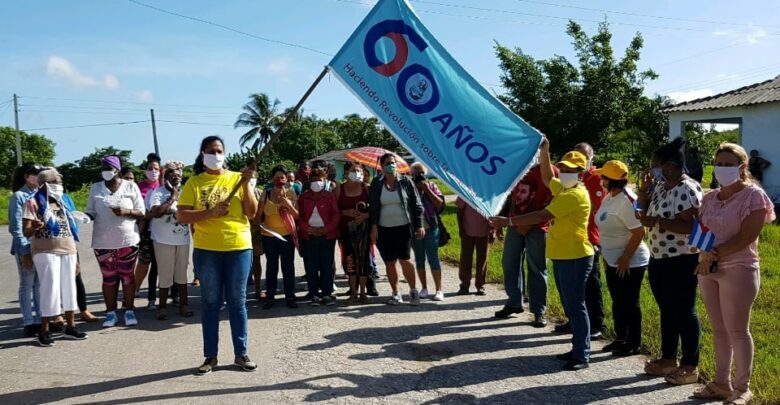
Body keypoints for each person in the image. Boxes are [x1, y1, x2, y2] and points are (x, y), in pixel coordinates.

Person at [491, 139, 595, 371]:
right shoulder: (565, 188)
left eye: (571, 170)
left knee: (576, 306)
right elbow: (548, 178)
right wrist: (545, 151)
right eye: (564, 169)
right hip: (563, 255)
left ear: (581, 172)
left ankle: (582, 354)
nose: (565, 172)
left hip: (576, 256)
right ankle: (577, 348)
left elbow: (541, 216)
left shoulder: (574, 195)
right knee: (571, 304)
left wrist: (507, 221)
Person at [693, 143, 775, 404]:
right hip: (708, 267)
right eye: (719, 164)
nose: (723, 169)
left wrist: (712, 254)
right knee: (718, 329)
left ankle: (742, 388)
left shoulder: (754, 196)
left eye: (729, 164)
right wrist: (704, 254)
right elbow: (701, 229)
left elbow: (746, 237)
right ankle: (720, 382)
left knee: (737, 330)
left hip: (738, 268)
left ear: (743, 167)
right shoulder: (709, 197)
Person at [177, 135, 259, 375]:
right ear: (203, 154)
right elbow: (182, 216)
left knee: (238, 302)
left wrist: (246, 184)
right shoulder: (194, 182)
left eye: (220, 151)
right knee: (211, 303)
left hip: (239, 248)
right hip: (207, 250)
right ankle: (210, 356)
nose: (216, 155)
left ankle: (241, 353)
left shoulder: (237, 179)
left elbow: (252, 213)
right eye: (211, 151)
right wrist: (209, 213)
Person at [637, 137, 702, 385]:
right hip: (659, 257)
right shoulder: (662, 186)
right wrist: (643, 193)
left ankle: (690, 365)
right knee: (667, 309)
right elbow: (643, 215)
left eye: (656, 164)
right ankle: (668, 359)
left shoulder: (687, 188)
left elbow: (689, 226)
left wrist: (658, 222)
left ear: (671, 166)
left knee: (684, 311)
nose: (652, 169)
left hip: (682, 259)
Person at [22, 168, 89, 346]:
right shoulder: (33, 202)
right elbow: (25, 230)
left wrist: (76, 255)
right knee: (49, 289)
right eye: (56, 182)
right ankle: (44, 330)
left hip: (68, 249)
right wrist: (35, 226)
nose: (59, 186)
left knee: (69, 289)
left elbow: (70, 227)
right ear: (45, 184)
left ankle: (71, 327)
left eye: (60, 182)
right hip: (45, 251)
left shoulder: (63, 202)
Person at [594, 160, 650, 357]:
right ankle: (620, 338)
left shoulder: (627, 201)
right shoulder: (611, 197)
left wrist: (626, 256)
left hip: (630, 260)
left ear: (611, 180)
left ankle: (633, 342)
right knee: (618, 300)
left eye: (604, 177)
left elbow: (638, 231)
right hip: (612, 259)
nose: (601, 179)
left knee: (629, 301)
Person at [494, 163, 558, 328]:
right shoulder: (518, 166)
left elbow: (552, 201)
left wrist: (528, 224)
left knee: (536, 268)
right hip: (514, 225)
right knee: (509, 263)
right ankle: (514, 302)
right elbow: (510, 197)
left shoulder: (550, 171)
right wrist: (503, 218)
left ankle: (538, 310)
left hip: (537, 227)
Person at [86, 155, 146, 328]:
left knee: (127, 277)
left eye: (108, 167)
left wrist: (126, 211)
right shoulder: (96, 188)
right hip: (102, 242)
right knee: (109, 278)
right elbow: (91, 211)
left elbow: (141, 211)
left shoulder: (130, 186)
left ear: (117, 169)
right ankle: (111, 313)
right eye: (103, 168)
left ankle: (129, 311)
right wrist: (85, 217)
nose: (105, 171)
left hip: (127, 240)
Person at [554, 142, 605, 340]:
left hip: (589, 237)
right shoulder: (568, 181)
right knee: (571, 288)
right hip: (570, 239)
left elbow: (597, 211)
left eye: (584, 156)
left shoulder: (595, 179)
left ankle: (596, 323)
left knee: (591, 285)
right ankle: (573, 320)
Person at [369, 153, 424, 305]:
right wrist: (373, 228)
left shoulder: (406, 181)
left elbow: (417, 205)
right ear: (382, 166)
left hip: (404, 227)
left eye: (393, 162)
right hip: (384, 228)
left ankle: (413, 291)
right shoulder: (377, 183)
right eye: (387, 163)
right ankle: (396, 292)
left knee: (405, 260)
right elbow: (373, 207)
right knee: (390, 262)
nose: (391, 165)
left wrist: (419, 225)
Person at [147, 161, 193, 320]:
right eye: (173, 172)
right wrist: (172, 198)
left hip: (183, 240)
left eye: (180, 172)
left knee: (181, 274)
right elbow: (156, 212)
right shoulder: (157, 193)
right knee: (165, 274)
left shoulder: (186, 191)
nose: (177, 175)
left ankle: (184, 305)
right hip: (163, 240)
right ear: (166, 176)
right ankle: (162, 307)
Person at [9, 163, 43, 337]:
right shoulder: (19, 196)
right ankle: (28, 322)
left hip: (40, 246)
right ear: (26, 176)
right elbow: (16, 228)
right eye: (35, 174)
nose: (38, 177)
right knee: (26, 284)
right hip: (26, 246)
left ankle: (39, 319)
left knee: (38, 284)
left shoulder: (39, 194)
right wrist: (24, 251)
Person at [259, 165, 299, 309]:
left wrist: (288, 204)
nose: (279, 180)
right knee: (271, 266)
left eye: (282, 177)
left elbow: (297, 215)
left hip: (287, 235)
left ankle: (290, 296)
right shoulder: (266, 193)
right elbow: (258, 215)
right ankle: (270, 297)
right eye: (276, 177)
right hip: (269, 236)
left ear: (286, 178)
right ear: (272, 179)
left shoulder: (291, 192)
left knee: (288, 266)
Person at [298, 167, 340, 306]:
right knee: (311, 265)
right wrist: (309, 229)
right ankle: (314, 294)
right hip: (309, 235)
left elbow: (335, 215)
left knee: (327, 265)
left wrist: (326, 229)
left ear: (324, 181)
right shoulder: (303, 197)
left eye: (319, 180)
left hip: (327, 235)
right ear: (309, 182)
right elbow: (300, 217)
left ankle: (327, 294)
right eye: (313, 180)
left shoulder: (329, 196)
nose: (316, 182)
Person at [409, 163, 445, 301]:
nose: (418, 175)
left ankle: (439, 290)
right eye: (415, 172)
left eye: (420, 172)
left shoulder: (432, 185)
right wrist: (417, 190)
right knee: (419, 259)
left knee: (433, 258)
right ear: (411, 174)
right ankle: (424, 288)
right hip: (415, 229)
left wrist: (426, 189)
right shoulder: (409, 187)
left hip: (431, 227)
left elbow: (439, 204)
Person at [135, 153, 164, 311]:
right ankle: (136, 288)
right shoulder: (139, 187)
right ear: (145, 170)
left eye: (156, 169)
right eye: (150, 168)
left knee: (160, 265)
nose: (153, 171)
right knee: (144, 262)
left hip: (163, 231)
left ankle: (162, 294)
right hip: (145, 229)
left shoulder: (163, 185)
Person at [456, 197, 492, 296]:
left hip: (484, 231)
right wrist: (461, 229)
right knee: (465, 258)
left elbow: (493, 211)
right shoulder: (466, 190)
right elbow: (459, 210)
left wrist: (493, 230)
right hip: (467, 231)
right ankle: (465, 284)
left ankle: (480, 285)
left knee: (482, 258)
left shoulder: (487, 192)